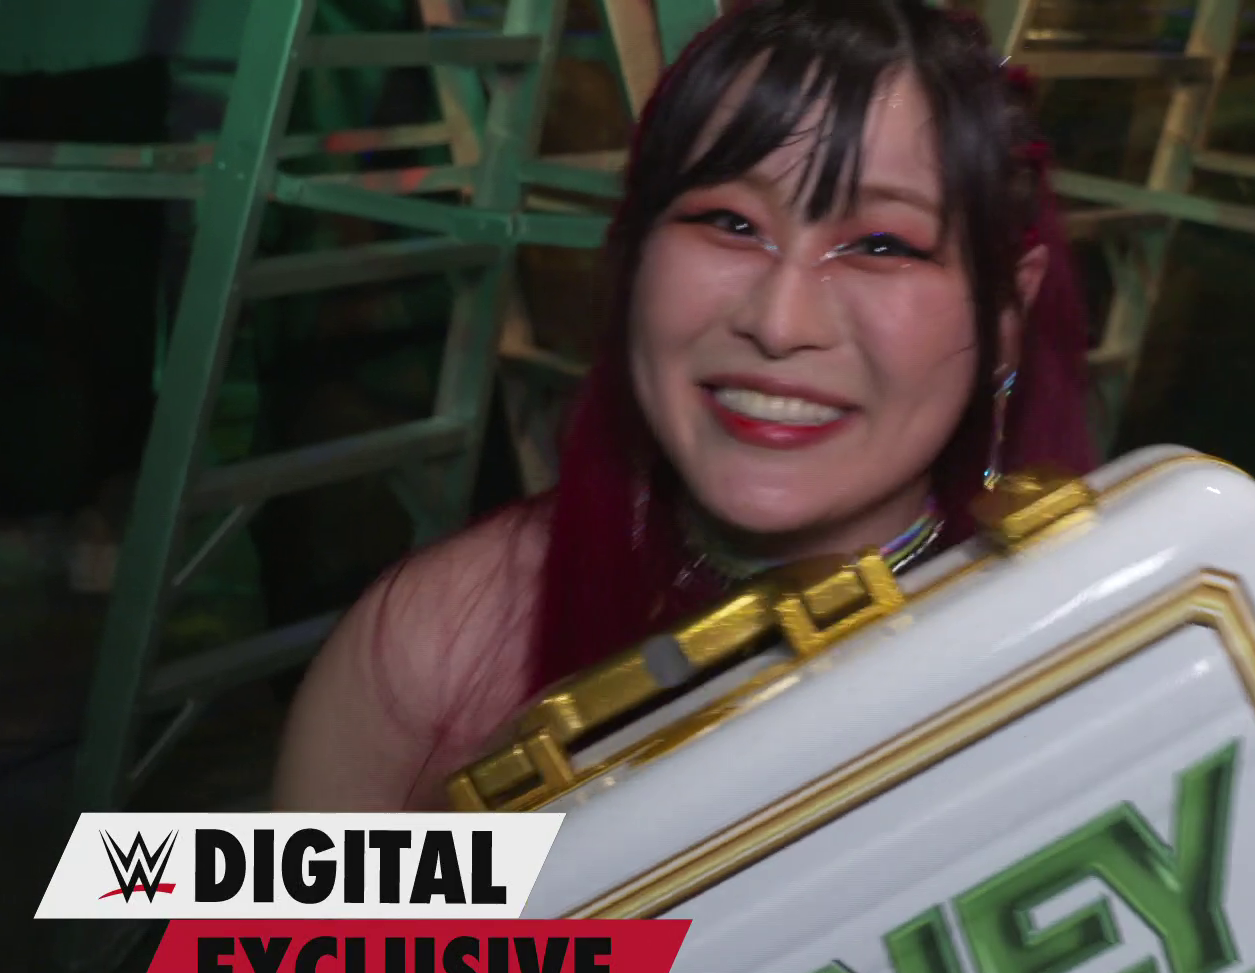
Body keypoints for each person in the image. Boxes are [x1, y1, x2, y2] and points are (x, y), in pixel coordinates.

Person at [271, 0, 1097, 812]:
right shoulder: (440, 644)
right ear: (634, 257)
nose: (779, 323)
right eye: (730, 223)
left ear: (1006, 313)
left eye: (882, 245)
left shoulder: (1094, 650)